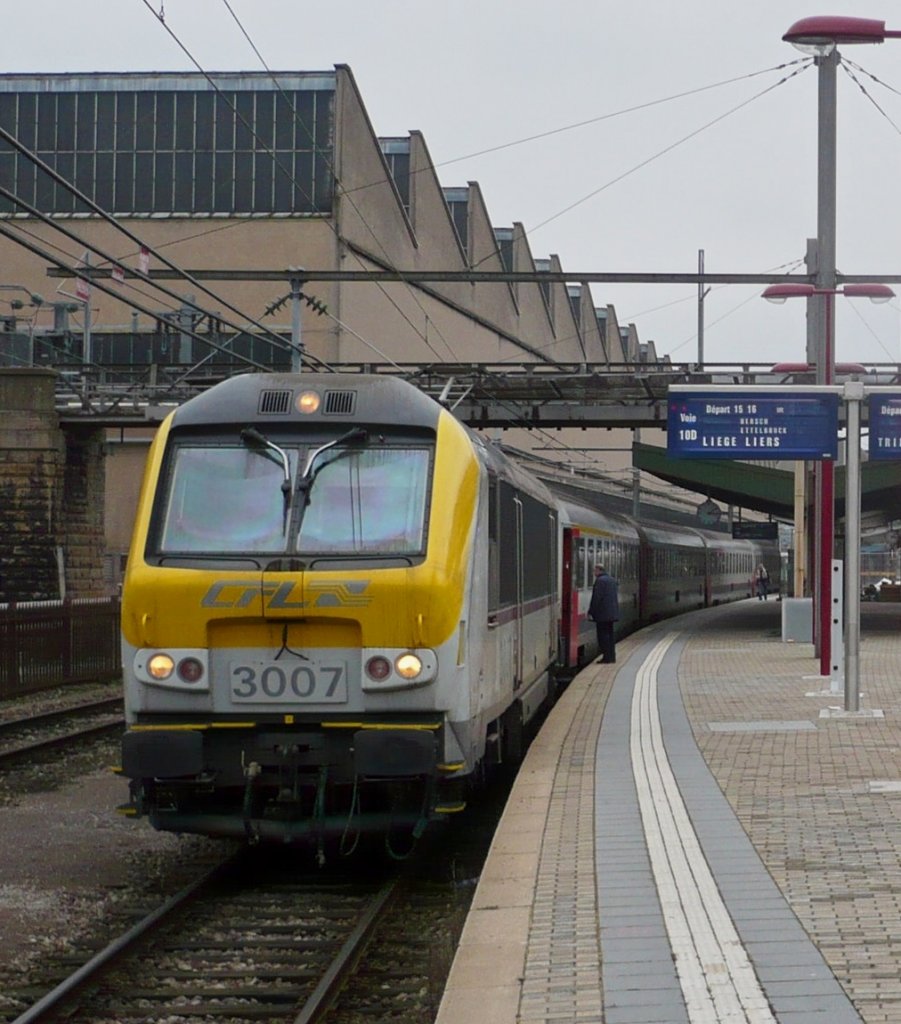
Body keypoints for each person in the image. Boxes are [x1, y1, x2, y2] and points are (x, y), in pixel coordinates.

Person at [588, 564, 619, 664]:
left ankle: (606, 657)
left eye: (594, 570)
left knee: (603, 636)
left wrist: (591, 611)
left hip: (603, 614)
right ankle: (612, 656)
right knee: (610, 635)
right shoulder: (611, 580)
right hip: (611, 613)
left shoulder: (600, 581)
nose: (594, 573)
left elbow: (596, 598)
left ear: (599, 570)